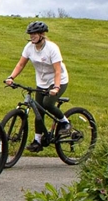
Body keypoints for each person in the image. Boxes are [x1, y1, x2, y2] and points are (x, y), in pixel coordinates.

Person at [5, 21, 71, 152]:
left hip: (59, 81)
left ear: (42, 34)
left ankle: (65, 122)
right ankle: (37, 141)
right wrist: (11, 77)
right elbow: (20, 64)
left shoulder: (52, 48)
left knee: (47, 104)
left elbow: (58, 70)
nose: (32, 36)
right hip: (42, 82)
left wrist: (56, 87)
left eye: (34, 34)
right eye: (30, 34)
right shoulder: (29, 47)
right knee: (38, 111)